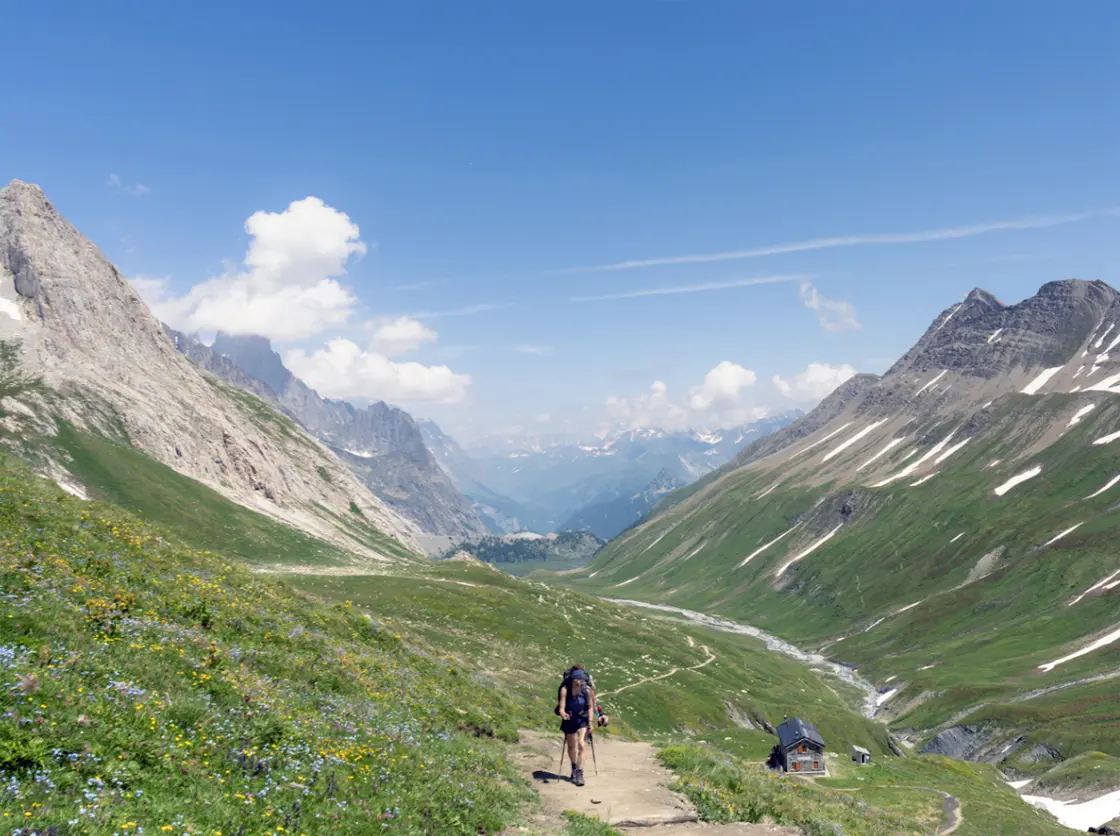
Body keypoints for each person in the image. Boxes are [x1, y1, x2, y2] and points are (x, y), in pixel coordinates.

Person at [557, 665, 596, 786]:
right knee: (571, 746)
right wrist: (563, 714)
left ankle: (579, 773)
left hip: (582, 719)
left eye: (582, 679)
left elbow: (590, 707)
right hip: (569, 719)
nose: (580, 682)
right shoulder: (565, 689)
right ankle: (574, 767)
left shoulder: (587, 690)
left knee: (581, 744)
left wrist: (590, 722)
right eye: (578, 679)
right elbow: (561, 707)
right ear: (573, 679)